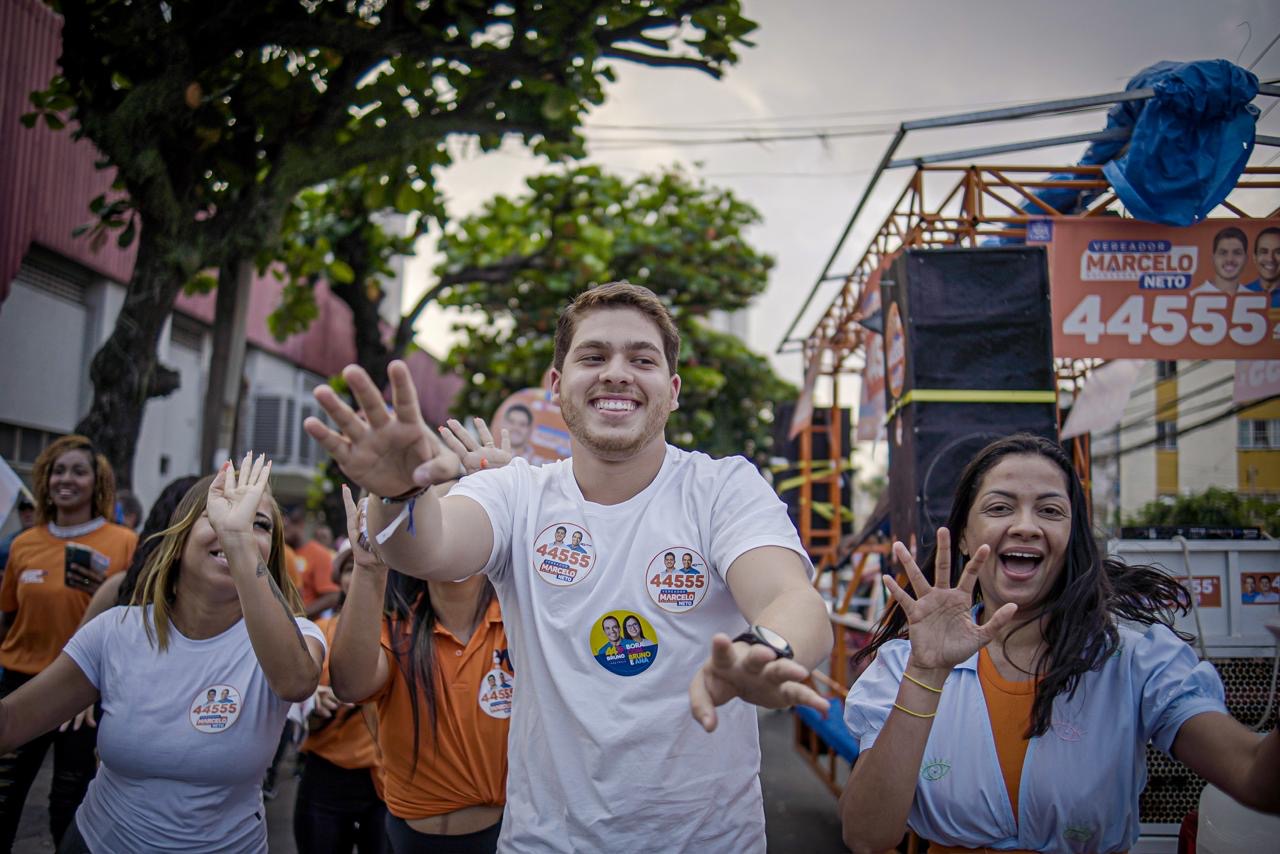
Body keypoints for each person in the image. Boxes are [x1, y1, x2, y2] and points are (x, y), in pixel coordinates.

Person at [305, 281, 831, 851]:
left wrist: (766, 649)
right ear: (557, 385)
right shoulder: (515, 492)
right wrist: (399, 492)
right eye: (593, 356)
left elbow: (793, 599)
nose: (617, 373)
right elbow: (425, 548)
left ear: (673, 390)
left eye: (642, 359)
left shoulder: (723, 486)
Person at [839, 434, 1280, 854]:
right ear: (966, 536)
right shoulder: (906, 663)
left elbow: (1255, 780)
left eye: (1050, 511)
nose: (1026, 526)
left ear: (1073, 540)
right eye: (1000, 507)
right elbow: (866, 835)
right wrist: (926, 673)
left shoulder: (1134, 659)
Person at [0, 454, 325, 853]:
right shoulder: (115, 631)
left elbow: (295, 681)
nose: (236, 523)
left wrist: (237, 539)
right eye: (218, 514)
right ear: (181, 536)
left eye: (259, 524)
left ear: (270, 554)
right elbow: (12, 721)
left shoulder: (295, 636)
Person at [330, 472, 512, 854]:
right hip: (406, 837)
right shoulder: (394, 630)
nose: (452, 533)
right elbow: (351, 685)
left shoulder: (518, 624)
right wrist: (369, 567)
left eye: (468, 517)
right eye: (439, 518)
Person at [0, 436, 137, 850]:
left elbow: (135, 615)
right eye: (58, 470)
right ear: (44, 479)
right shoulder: (24, 544)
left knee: (69, 801)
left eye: (79, 471)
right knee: (4, 799)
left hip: (88, 691)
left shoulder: (124, 543)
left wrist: (107, 590)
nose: (67, 479)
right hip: (22, 682)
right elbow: (9, 617)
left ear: (97, 482)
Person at [294, 539, 387, 854]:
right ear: (340, 578)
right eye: (350, 567)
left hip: (386, 785)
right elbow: (295, 703)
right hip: (326, 777)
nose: (360, 572)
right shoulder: (318, 631)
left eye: (374, 561)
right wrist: (312, 704)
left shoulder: (404, 633)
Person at [286, 506, 340, 619]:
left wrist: (299, 615)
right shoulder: (281, 551)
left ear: (300, 524)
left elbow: (332, 596)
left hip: (308, 625)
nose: (282, 531)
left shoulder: (319, 554)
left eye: (286, 527)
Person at [1195, 226, 1248, 295]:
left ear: (1246, 259)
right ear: (1213, 258)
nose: (1230, 259)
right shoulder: (1192, 298)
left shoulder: (1256, 300)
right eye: (1223, 253)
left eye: (1237, 253)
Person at [0, 492, 36, 574]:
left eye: (31, 510)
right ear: (19, 514)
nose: (27, 514)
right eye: (23, 511)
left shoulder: (48, 536)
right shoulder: (9, 542)